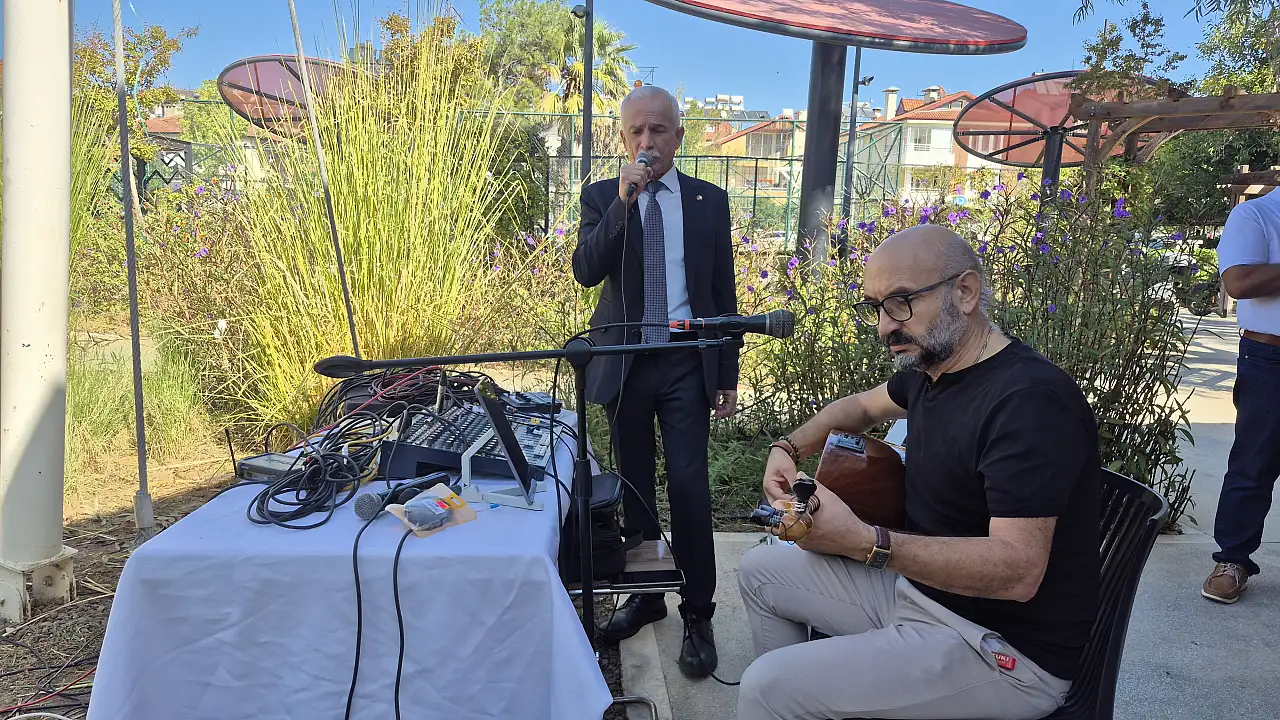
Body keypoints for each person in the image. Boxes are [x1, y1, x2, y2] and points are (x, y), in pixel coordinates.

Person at [734, 225, 1101, 720]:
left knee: (767, 687)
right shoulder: (934, 374)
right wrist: (788, 446)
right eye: (876, 307)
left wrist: (866, 542)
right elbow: (860, 408)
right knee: (760, 571)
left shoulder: (1029, 403)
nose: (884, 327)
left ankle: (795, 702)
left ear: (965, 292)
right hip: (923, 593)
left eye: (901, 302)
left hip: (1000, 648)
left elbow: (1018, 572)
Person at [571, 85, 739, 677]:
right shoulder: (601, 197)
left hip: (687, 361)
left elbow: (722, 292)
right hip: (626, 363)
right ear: (623, 138)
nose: (647, 142)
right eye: (636, 132)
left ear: (679, 136)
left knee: (689, 487)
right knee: (635, 488)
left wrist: (727, 372)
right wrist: (624, 203)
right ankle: (647, 598)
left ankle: (698, 611)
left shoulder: (709, 202)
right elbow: (586, 270)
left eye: (659, 130)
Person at [1201, 191, 1280, 604]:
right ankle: (1232, 560)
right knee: (1253, 464)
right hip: (1271, 359)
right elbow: (1240, 282)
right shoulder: (1257, 214)